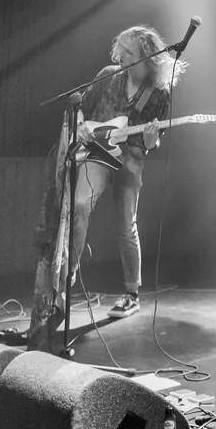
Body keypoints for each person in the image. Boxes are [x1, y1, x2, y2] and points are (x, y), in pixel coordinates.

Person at [72, 25, 182, 319]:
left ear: (146, 56)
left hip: (131, 157)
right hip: (97, 151)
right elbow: (83, 107)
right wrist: (81, 125)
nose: (121, 57)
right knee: (80, 204)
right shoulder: (108, 76)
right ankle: (67, 276)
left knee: (126, 224)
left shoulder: (158, 92)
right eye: (120, 51)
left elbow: (153, 143)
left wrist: (150, 138)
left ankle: (131, 294)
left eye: (128, 52)